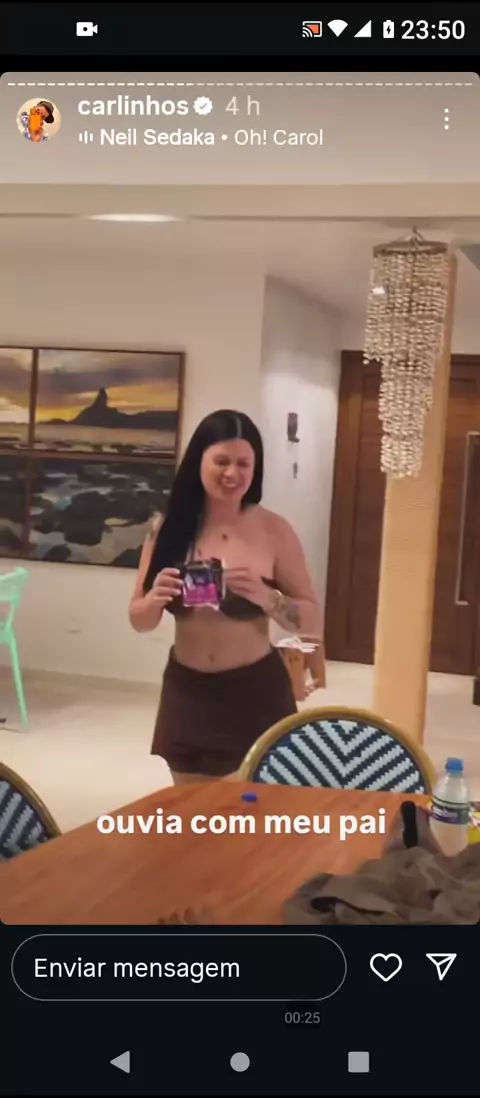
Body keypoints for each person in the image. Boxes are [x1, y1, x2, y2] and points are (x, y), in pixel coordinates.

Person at [129, 409, 323, 784]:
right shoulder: (169, 528)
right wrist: (154, 600)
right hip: (187, 692)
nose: (232, 473)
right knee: (193, 811)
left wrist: (267, 597)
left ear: (255, 468)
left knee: (254, 812)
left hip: (255, 692)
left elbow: (312, 619)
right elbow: (139, 620)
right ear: (198, 461)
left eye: (243, 464)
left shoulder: (273, 530)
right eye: (221, 461)